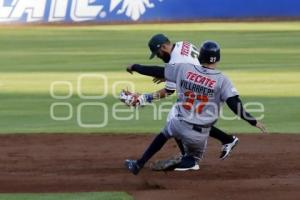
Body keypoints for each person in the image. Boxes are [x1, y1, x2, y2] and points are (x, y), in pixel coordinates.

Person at [123, 40, 266, 175]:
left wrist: (135, 67)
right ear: (217, 59)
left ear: (200, 56)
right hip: (200, 135)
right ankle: (187, 161)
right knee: (193, 159)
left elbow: (157, 71)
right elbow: (235, 105)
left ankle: (139, 164)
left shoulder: (184, 69)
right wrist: (253, 121)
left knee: (166, 131)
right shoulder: (222, 80)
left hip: (179, 123)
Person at [126, 34, 238, 159]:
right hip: (203, 82)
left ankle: (188, 157)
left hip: (198, 88)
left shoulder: (175, 62)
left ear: (163, 47)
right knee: (192, 120)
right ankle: (227, 140)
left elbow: (169, 91)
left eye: (158, 53)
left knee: (177, 120)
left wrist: (144, 98)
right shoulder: (183, 44)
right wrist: (169, 75)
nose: (158, 57)